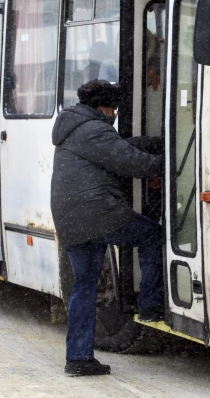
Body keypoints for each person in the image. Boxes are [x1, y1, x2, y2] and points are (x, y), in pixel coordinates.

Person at [51, 80, 165, 376]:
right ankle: (150, 307)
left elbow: (118, 148)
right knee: (152, 235)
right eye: (113, 108)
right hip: (97, 213)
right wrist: (171, 164)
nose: (114, 113)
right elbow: (131, 162)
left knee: (84, 288)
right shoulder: (95, 129)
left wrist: (147, 143)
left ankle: (78, 358)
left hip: (71, 219)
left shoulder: (75, 126)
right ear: (102, 106)